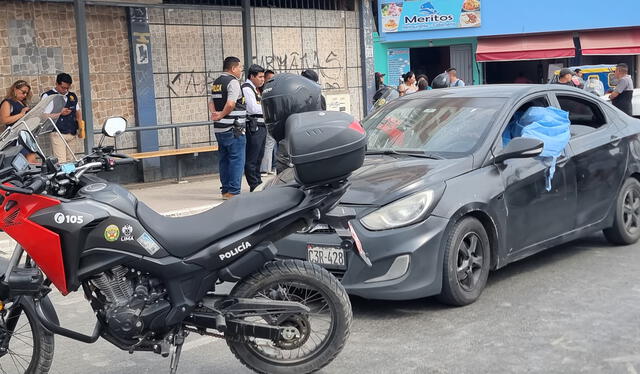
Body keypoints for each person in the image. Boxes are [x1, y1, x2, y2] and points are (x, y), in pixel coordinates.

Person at [209, 56, 246, 200]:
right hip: (233, 129)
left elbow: (210, 102)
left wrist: (215, 115)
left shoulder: (217, 82)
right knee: (237, 159)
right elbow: (231, 104)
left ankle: (225, 190)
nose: (241, 71)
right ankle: (233, 191)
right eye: (240, 68)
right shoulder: (233, 82)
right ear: (233, 68)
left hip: (219, 129)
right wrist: (222, 114)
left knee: (224, 160)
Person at [41, 73, 84, 162]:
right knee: (61, 161)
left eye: (67, 88)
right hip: (57, 132)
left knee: (71, 160)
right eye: (63, 87)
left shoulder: (72, 96)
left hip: (72, 132)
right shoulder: (48, 95)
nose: (65, 90)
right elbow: (43, 116)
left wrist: (81, 128)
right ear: (57, 84)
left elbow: (78, 111)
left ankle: (70, 175)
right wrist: (60, 114)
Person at [242, 64, 267, 192]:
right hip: (254, 126)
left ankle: (258, 181)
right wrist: (267, 109)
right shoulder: (247, 89)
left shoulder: (256, 89)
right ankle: (254, 184)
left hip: (261, 126)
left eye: (263, 77)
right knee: (252, 157)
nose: (263, 79)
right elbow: (252, 109)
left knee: (259, 157)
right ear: (252, 76)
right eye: (260, 77)